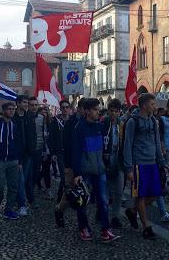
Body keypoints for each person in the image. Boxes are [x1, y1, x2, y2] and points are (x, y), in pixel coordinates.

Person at [72, 98, 120, 242]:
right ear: (87, 111)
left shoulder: (100, 126)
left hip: (99, 170)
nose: (98, 112)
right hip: (85, 171)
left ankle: (105, 230)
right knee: (83, 201)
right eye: (95, 109)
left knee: (103, 201)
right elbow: (76, 152)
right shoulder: (79, 128)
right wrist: (77, 173)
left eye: (99, 109)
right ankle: (83, 227)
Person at [124, 93, 167, 240]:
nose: (155, 107)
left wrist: (161, 162)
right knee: (141, 196)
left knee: (155, 194)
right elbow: (127, 144)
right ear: (144, 106)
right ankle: (146, 227)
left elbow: (156, 143)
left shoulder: (154, 121)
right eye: (153, 104)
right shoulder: (132, 122)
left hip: (152, 163)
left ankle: (132, 211)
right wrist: (128, 168)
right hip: (138, 164)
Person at [54, 98, 86, 228]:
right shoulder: (70, 123)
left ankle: (85, 223)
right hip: (72, 164)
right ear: (79, 109)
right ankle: (59, 210)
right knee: (71, 192)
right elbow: (66, 145)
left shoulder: (89, 122)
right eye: (85, 109)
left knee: (83, 193)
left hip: (86, 163)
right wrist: (67, 166)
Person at [102, 99, 125, 229]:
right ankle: (103, 213)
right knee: (105, 192)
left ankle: (115, 216)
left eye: (116, 111)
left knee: (119, 192)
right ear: (108, 110)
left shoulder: (121, 124)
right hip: (106, 160)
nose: (114, 113)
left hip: (119, 161)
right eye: (112, 111)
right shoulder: (103, 122)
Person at [49, 100, 70, 202]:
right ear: (60, 109)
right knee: (63, 175)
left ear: (69, 109)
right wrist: (52, 152)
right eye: (63, 107)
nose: (65, 109)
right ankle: (61, 198)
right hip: (60, 152)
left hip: (70, 152)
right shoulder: (55, 121)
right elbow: (51, 138)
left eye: (67, 107)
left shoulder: (72, 121)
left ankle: (65, 196)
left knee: (69, 175)